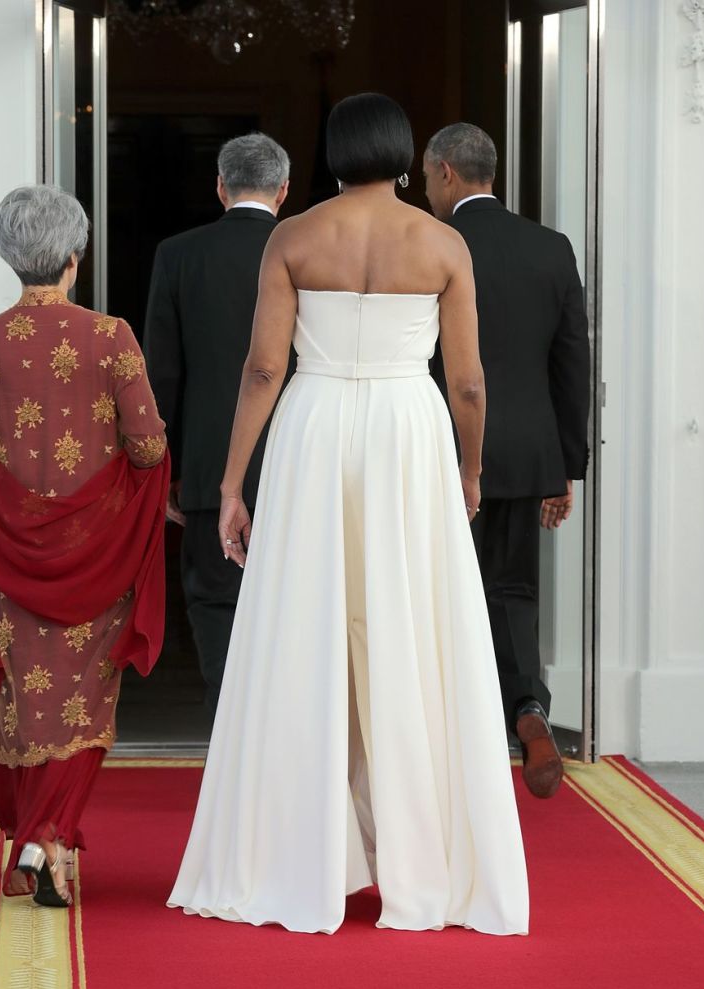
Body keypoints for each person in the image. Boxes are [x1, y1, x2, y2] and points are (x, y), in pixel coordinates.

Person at [168, 93, 529, 936]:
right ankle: (423, 861)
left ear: (327, 156)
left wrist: (230, 483)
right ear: (406, 156)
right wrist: (470, 469)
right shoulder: (443, 243)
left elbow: (262, 370)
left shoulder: (291, 237)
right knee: (412, 626)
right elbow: (469, 381)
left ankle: (296, 856)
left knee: (306, 625)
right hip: (409, 432)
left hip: (316, 427)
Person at [0, 185, 169, 906]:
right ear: (71, 258)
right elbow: (147, 444)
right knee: (83, 700)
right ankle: (42, 839)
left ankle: (35, 839)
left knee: (26, 701)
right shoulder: (111, 335)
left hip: (7, 556)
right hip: (96, 555)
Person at [424, 123, 590, 799]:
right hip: (526, 453)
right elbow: (571, 362)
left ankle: (448, 731)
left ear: (446, 175)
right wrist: (566, 468)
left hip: (441, 444)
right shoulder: (551, 248)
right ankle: (527, 709)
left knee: (439, 590)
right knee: (513, 590)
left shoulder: (432, 246)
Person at [144, 133, 292, 714]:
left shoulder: (179, 254)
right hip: (296, 457)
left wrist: (165, 466)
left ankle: (228, 732)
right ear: (284, 190)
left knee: (213, 601)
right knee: (295, 603)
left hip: (208, 462)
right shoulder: (310, 251)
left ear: (220, 187)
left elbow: (165, 374)